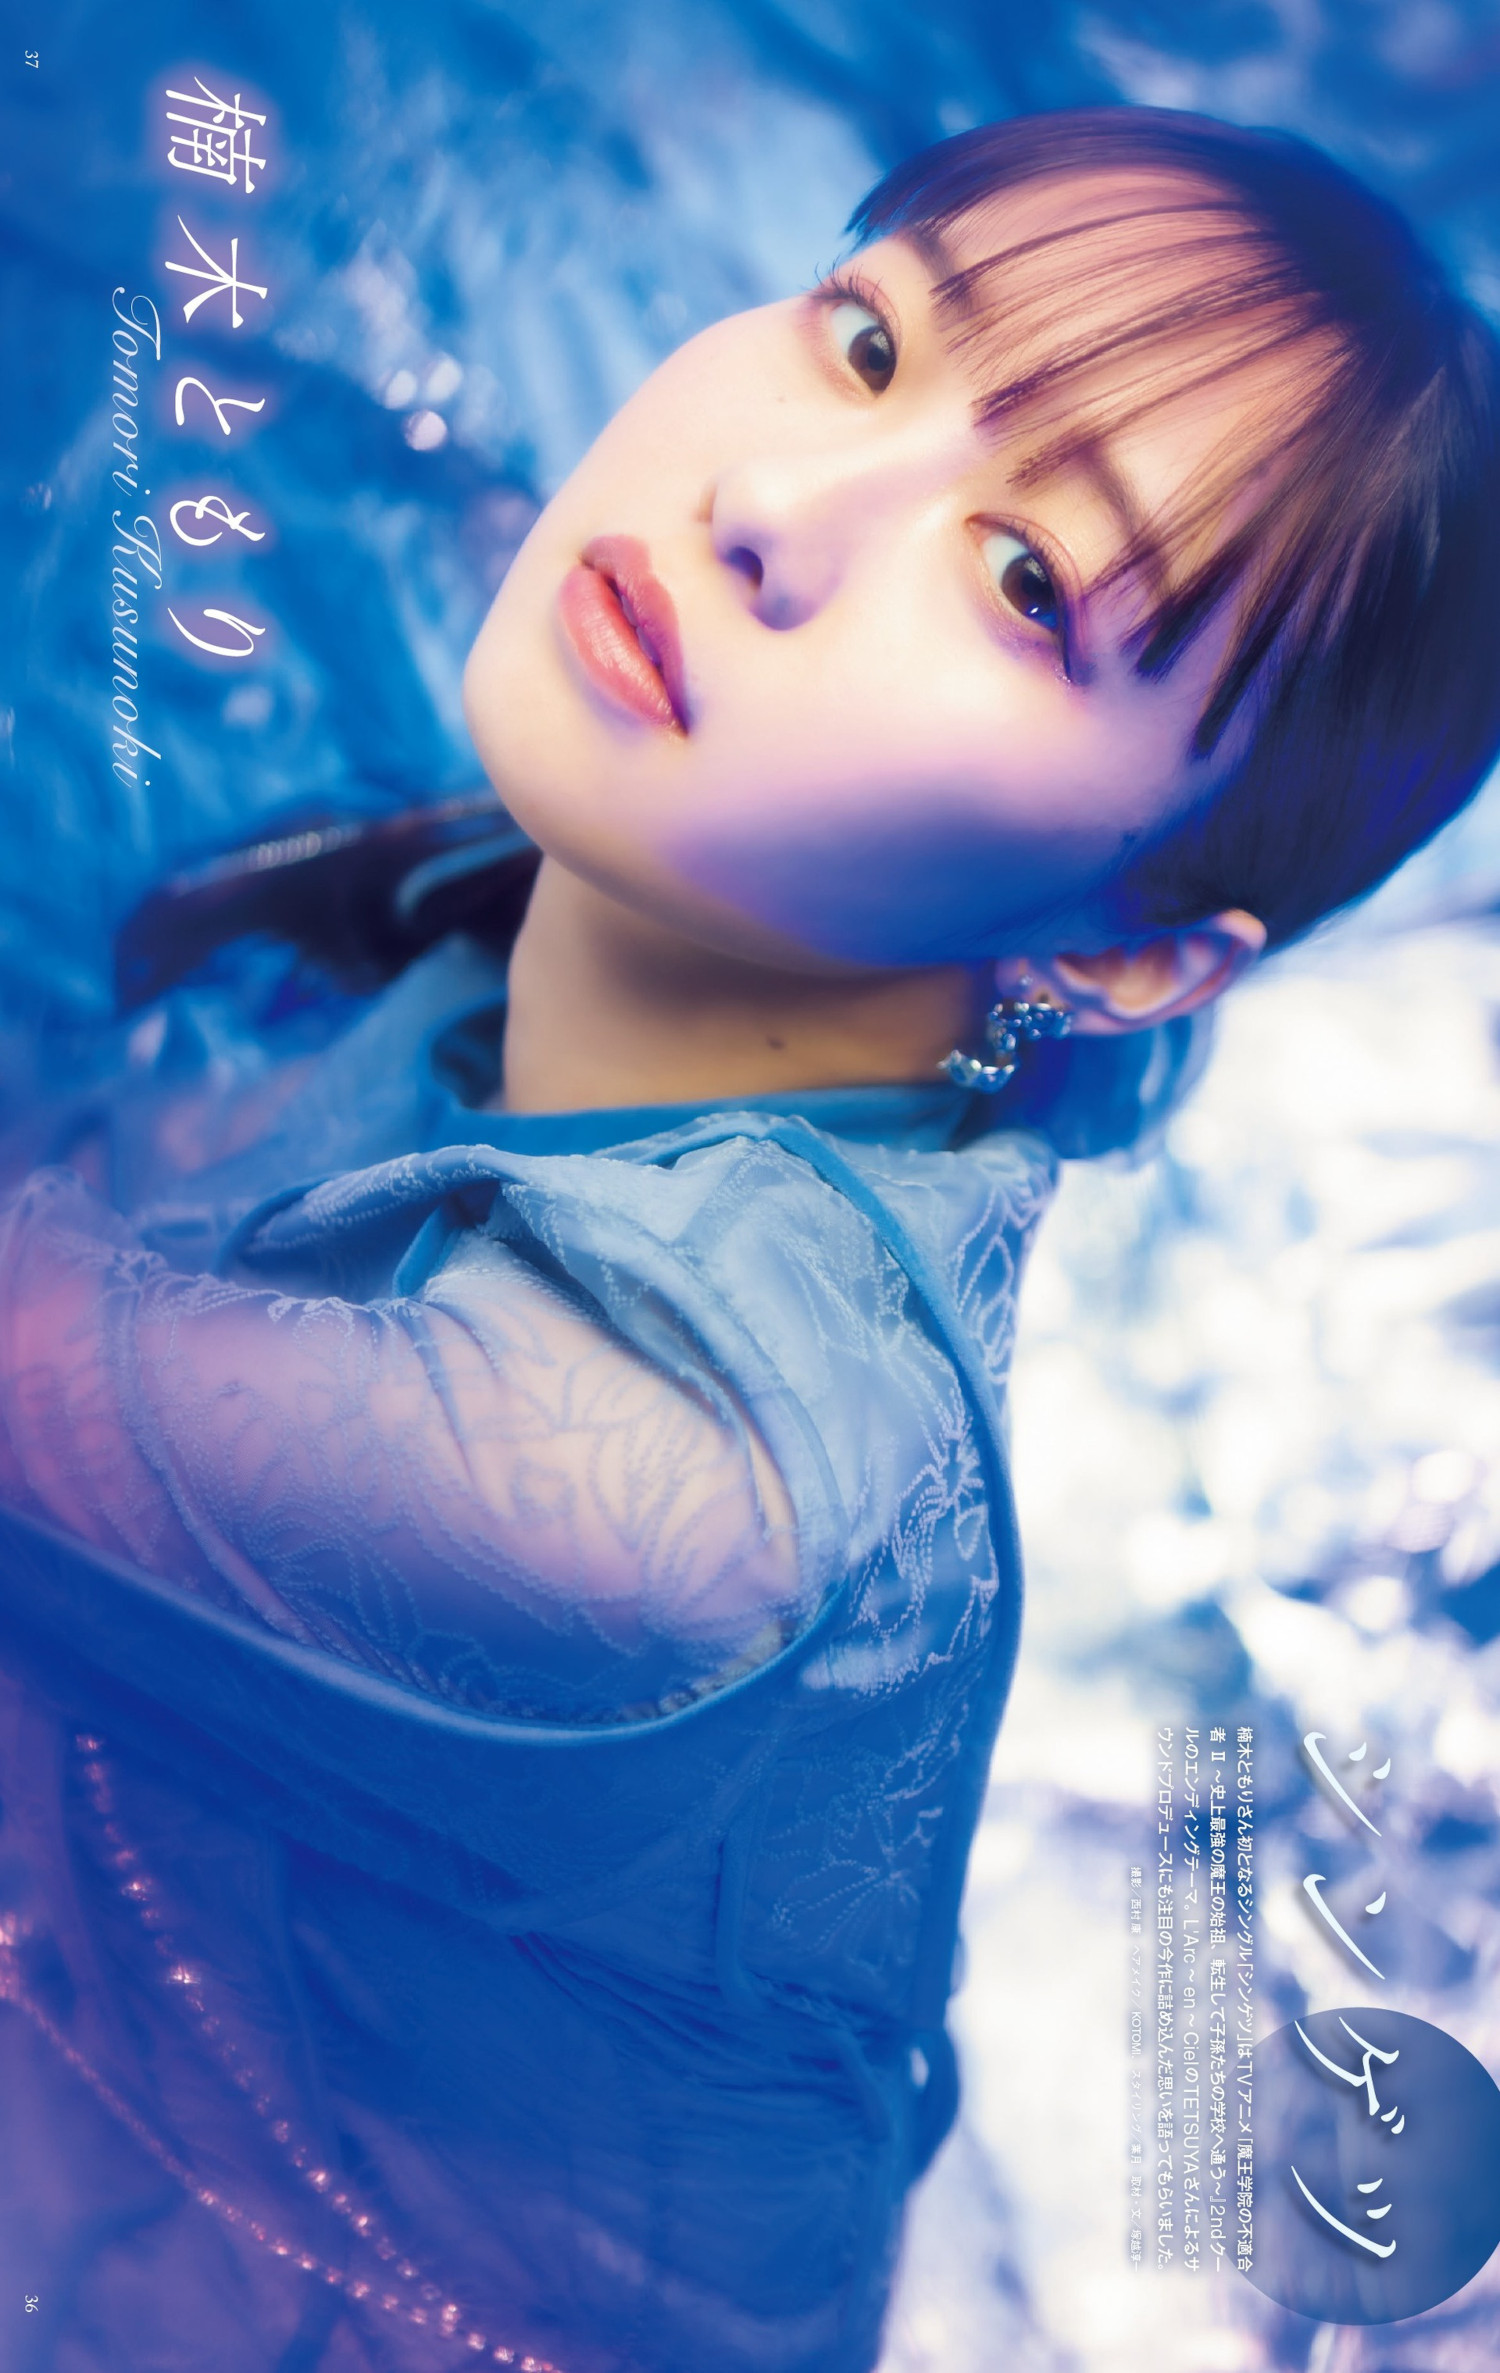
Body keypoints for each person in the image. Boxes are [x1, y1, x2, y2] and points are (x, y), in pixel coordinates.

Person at [1, 105, 1497, 2373]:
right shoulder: (692, 872)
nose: (772, 502)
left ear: (1124, 957)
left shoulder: (660, 1502)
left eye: (1028, 584)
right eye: (872, 339)